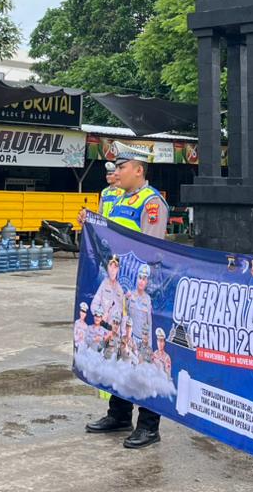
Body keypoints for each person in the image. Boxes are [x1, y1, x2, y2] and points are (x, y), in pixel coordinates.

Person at [83, 143, 168, 449]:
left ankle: (149, 425)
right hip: (118, 293)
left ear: (139, 170)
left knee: (142, 356)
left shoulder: (152, 203)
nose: (116, 173)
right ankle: (119, 414)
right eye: (116, 167)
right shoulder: (117, 199)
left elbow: (152, 253)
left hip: (141, 295)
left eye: (121, 167)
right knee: (119, 351)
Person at [123, 263, 154, 362]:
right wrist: (125, 299)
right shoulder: (130, 295)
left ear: (147, 282)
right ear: (136, 279)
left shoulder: (148, 299)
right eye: (139, 278)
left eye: (144, 279)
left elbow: (149, 324)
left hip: (142, 343)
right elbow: (124, 315)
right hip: (131, 340)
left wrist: (149, 346)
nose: (141, 281)